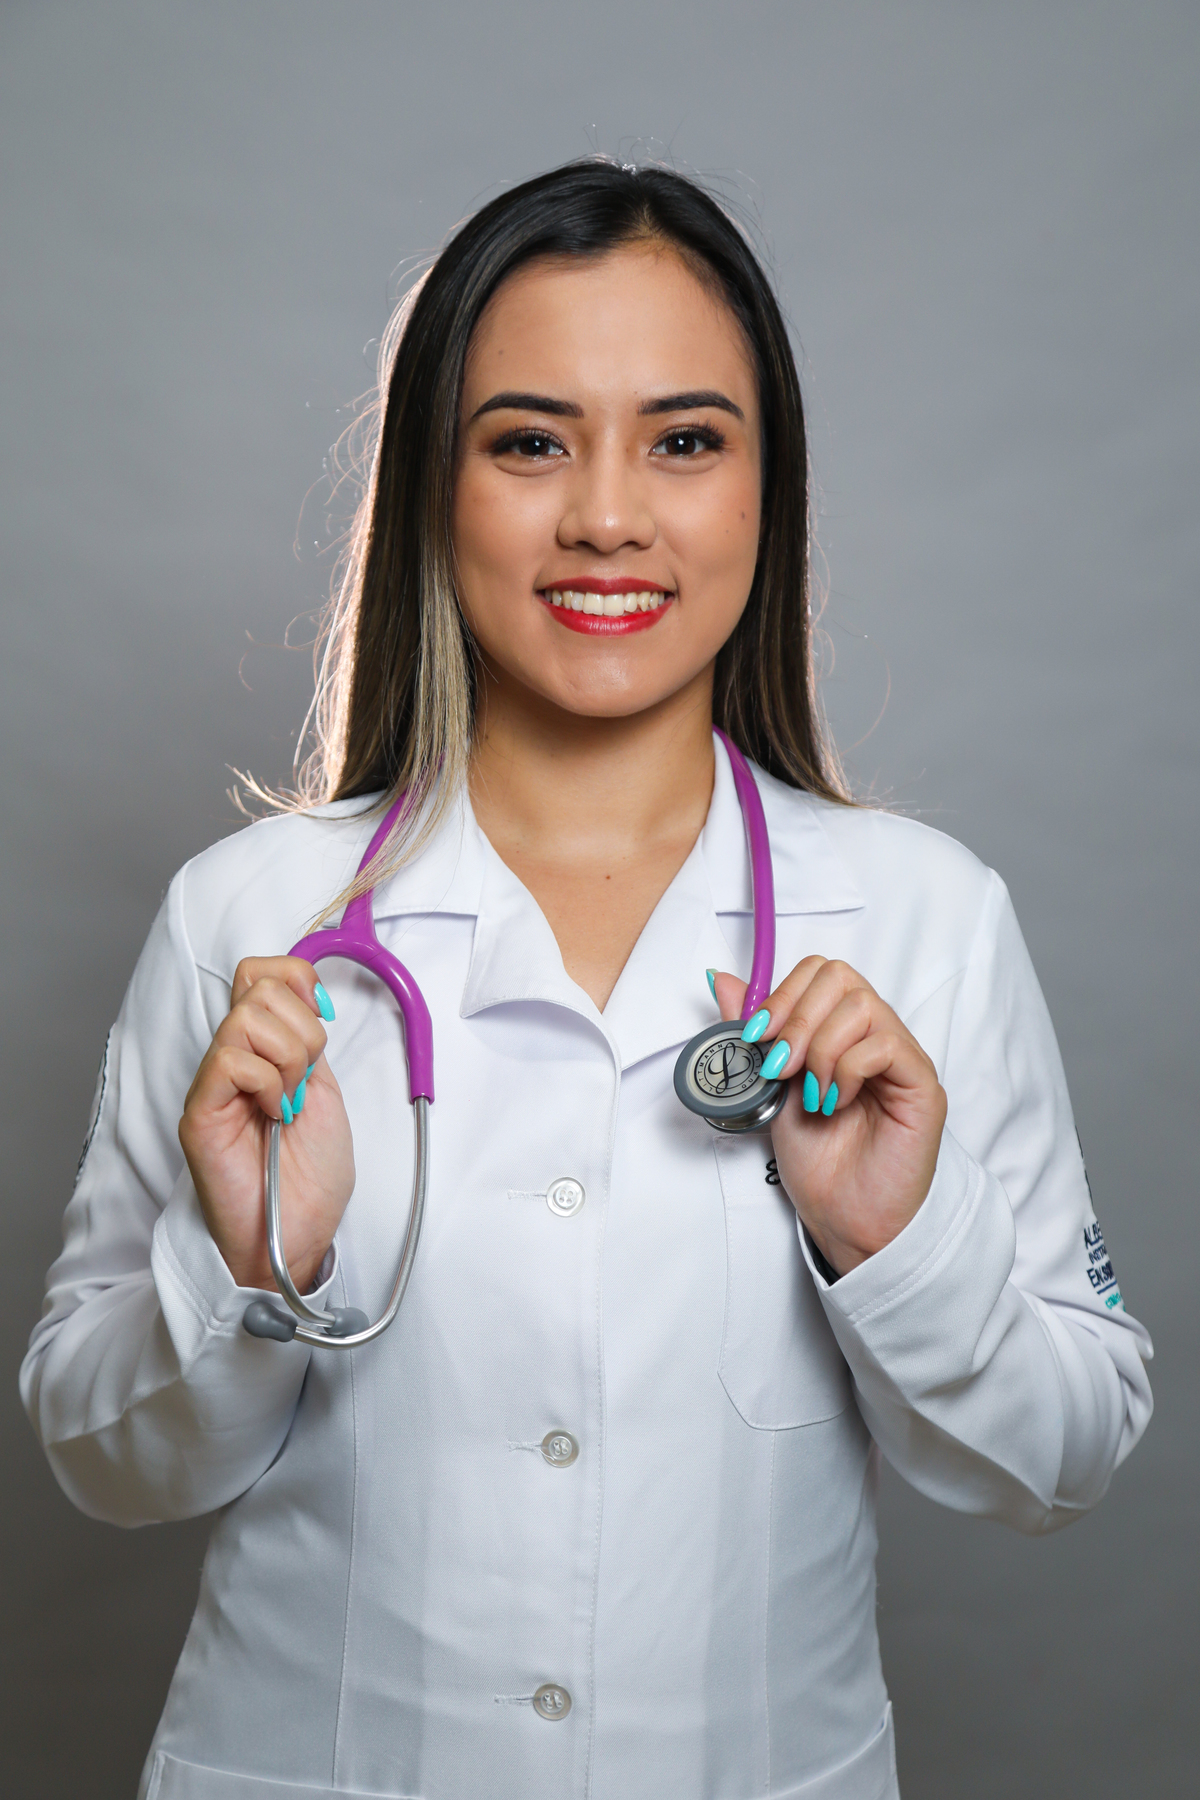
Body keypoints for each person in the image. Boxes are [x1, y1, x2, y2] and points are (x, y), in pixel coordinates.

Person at [21, 160, 1151, 1800]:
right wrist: (251, 1259)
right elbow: (98, 1458)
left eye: (684, 442)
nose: (607, 516)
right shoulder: (250, 921)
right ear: (435, 486)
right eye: (529, 442)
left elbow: (1065, 1457)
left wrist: (898, 1242)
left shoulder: (925, 920)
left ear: (769, 489)